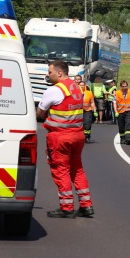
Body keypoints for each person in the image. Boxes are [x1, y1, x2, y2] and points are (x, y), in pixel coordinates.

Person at [36, 60, 94, 219]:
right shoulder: (76, 87)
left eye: (50, 72)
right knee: (77, 169)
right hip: (78, 135)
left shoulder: (54, 91)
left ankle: (67, 207)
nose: (48, 75)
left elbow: (40, 114)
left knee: (61, 170)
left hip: (60, 136)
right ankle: (86, 205)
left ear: (59, 73)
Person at [113, 80, 130, 145]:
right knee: (121, 126)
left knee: (128, 124)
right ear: (121, 86)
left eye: (126, 86)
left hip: (128, 111)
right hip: (120, 112)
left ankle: (128, 138)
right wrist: (116, 112)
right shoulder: (117, 93)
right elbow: (115, 103)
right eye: (123, 86)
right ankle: (122, 138)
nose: (125, 88)